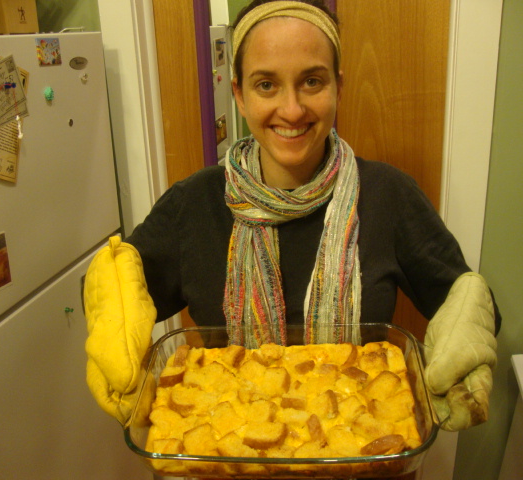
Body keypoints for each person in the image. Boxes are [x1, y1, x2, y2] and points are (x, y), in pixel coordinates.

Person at [84, 0, 499, 435]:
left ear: (338, 87)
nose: (292, 109)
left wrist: (467, 331)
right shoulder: (194, 204)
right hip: (228, 452)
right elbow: (121, 296)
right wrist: (109, 305)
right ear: (239, 95)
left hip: (360, 450)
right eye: (266, 85)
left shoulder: (388, 196)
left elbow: (462, 303)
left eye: (312, 81)